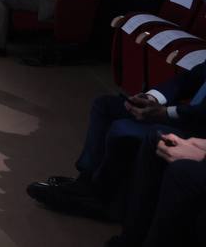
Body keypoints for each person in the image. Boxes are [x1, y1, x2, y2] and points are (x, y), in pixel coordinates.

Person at [25, 61, 206, 222]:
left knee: (123, 128)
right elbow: (189, 78)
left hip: (198, 132)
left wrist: (165, 113)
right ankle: (86, 181)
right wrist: (151, 98)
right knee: (105, 105)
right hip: (185, 115)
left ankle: (102, 199)